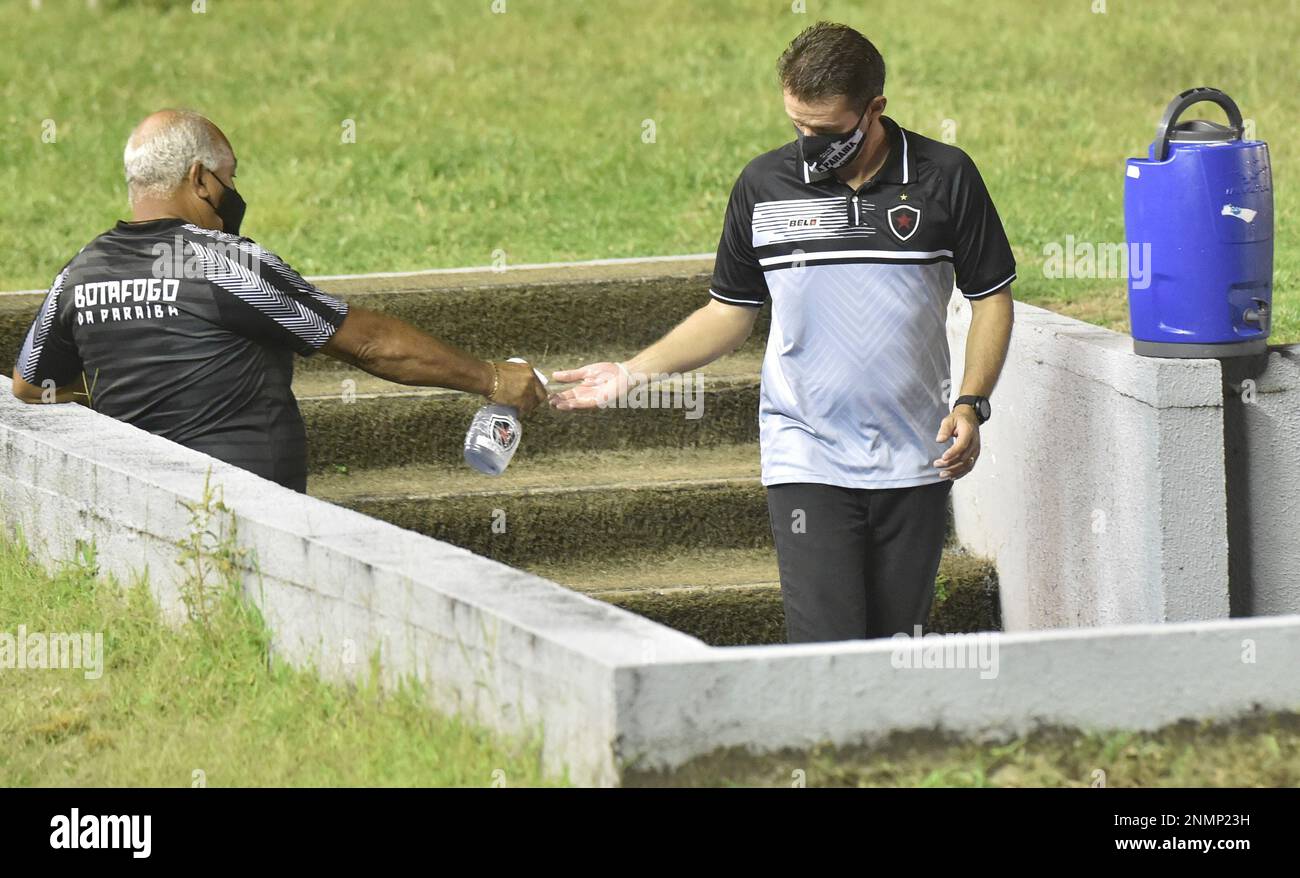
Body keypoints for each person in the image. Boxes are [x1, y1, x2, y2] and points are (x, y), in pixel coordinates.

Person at [550, 22, 1016, 642]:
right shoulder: (763, 185)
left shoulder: (944, 174)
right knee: (824, 645)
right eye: (797, 125)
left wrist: (971, 402)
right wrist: (633, 372)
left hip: (917, 454)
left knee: (898, 644)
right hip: (806, 452)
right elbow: (728, 313)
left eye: (825, 131)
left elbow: (991, 297)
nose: (808, 143)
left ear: (874, 108)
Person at [11, 109, 546, 492]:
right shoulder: (220, 262)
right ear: (200, 179)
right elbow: (370, 345)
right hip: (245, 510)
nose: (234, 191)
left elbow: (30, 385)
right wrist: (494, 379)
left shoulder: (81, 272)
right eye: (231, 177)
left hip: (139, 505)